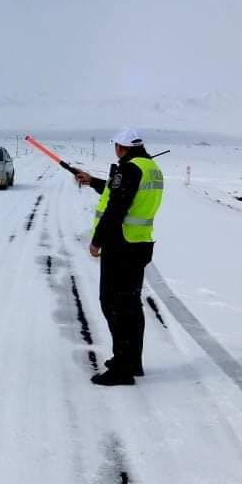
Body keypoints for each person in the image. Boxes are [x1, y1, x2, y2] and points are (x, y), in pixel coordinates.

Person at [74, 128, 164, 386]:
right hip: (139, 245)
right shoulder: (150, 168)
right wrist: (93, 182)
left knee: (114, 305)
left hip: (121, 246)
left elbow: (116, 207)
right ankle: (132, 361)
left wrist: (96, 241)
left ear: (121, 147)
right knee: (131, 306)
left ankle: (123, 370)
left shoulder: (129, 169)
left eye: (116, 145)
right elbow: (121, 193)